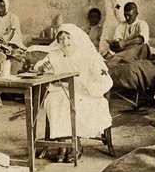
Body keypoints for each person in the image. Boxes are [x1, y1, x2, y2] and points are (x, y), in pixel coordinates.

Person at [35, 24, 113, 162]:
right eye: (61, 38)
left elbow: (106, 80)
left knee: (69, 102)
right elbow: (38, 66)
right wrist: (42, 67)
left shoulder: (87, 56)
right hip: (60, 91)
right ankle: (63, 145)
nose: (65, 41)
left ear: (75, 38)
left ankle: (74, 144)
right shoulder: (54, 55)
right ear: (57, 41)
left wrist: (89, 88)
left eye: (68, 38)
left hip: (85, 93)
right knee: (54, 101)